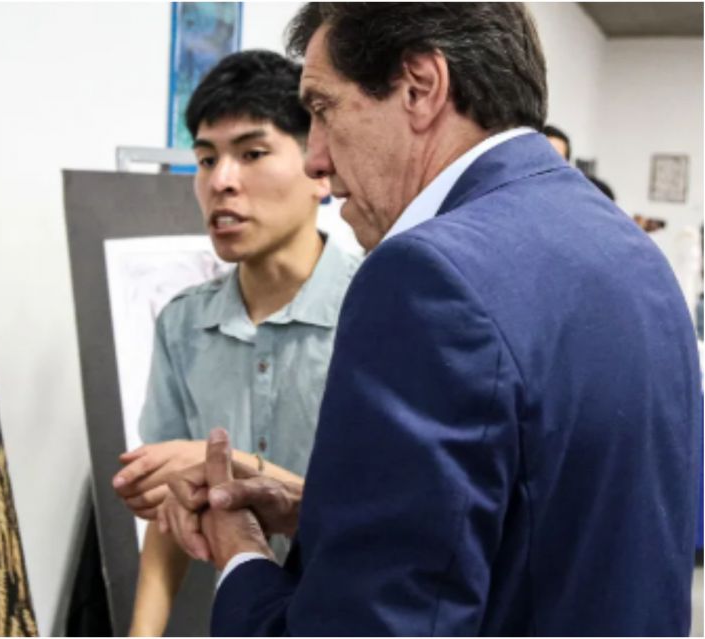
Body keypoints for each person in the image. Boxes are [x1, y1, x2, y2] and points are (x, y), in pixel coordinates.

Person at [158, 3, 702, 635]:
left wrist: (240, 554)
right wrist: (324, 513)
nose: (317, 157)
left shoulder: (426, 277)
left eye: (324, 109)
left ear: (420, 87)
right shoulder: (629, 251)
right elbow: (550, 520)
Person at [110, 49, 361, 636]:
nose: (221, 181)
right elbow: (171, 511)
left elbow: (389, 514)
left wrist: (222, 464)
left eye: (252, 154)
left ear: (317, 170)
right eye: (205, 159)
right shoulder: (183, 324)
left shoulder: (376, 309)